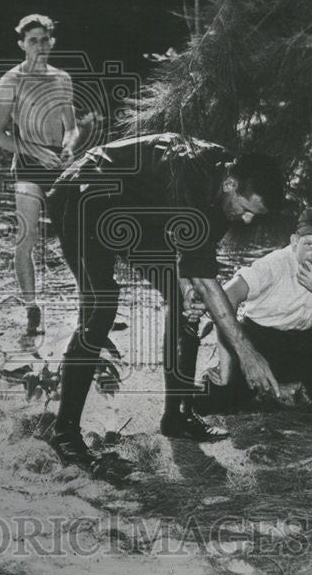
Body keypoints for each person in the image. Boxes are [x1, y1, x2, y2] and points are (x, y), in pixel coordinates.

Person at [44, 132, 285, 478]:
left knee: (188, 302)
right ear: (230, 184)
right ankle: (65, 433)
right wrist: (247, 354)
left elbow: (195, 268)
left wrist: (186, 286)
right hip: (83, 196)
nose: (246, 221)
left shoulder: (222, 199)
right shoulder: (190, 175)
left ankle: (178, 415)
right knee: (101, 307)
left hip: (136, 211)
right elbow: (203, 275)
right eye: (246, 210)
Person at [192, 208, 312, 415]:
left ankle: (310, 394)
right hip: (258, 340)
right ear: (294, 242)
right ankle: (250, 386)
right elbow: (225, 297)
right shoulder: (275, 264)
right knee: (216, 403)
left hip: (297, 344)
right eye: (309, 245)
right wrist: (229, 364)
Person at [0, 14, 77, 335]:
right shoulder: (12, 80)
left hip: (57, 164)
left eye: (44, 39)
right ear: (21, 44)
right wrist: (30, 149)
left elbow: (72, 126)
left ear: (51, 42)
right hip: (27, 164)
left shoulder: (62, 79)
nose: (39, 45)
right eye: (32, 40)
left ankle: (87, 308)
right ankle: (31, 307)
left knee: (75, 236)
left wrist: (68, 146)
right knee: (26, 238)